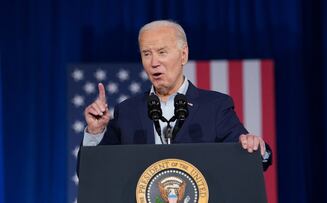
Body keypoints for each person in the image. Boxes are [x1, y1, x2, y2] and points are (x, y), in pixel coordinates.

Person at [82, 20, 272, 170]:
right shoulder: (127, 110)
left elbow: (255, 159)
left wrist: (255, 147)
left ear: (183, 55)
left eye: (162, 52)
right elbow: (92, 171)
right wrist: (95, 132)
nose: (154, 62)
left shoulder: (215, 106)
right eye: (146, 54)